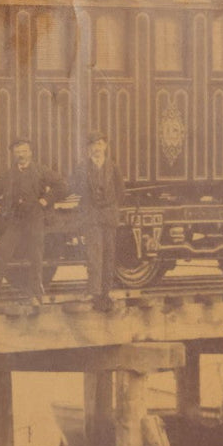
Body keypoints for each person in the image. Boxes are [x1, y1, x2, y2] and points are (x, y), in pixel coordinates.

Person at [0, 138, 68, 304]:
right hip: (16, 220)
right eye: (18, 152)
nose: (21, 155)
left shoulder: (41, 171)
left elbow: (62, 186)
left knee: (36, 256)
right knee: (2, 252)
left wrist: (45, 200)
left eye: (24, 151)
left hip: (35, 219)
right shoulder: (9, 175)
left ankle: (35, 294)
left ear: (30, 152)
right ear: (14, 154)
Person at [75, 131, 124, 312]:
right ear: (89, 149)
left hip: (109, 215)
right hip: (92, 216)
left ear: (105, 147)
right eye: (93, 145)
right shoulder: (82, 168)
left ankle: (107, 291)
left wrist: (111, 206)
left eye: (100, 145)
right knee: (94, 255)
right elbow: (76, 187)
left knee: (109, 254)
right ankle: (93, 290)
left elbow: (121, 192)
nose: (96, 149)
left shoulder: (114, 167)